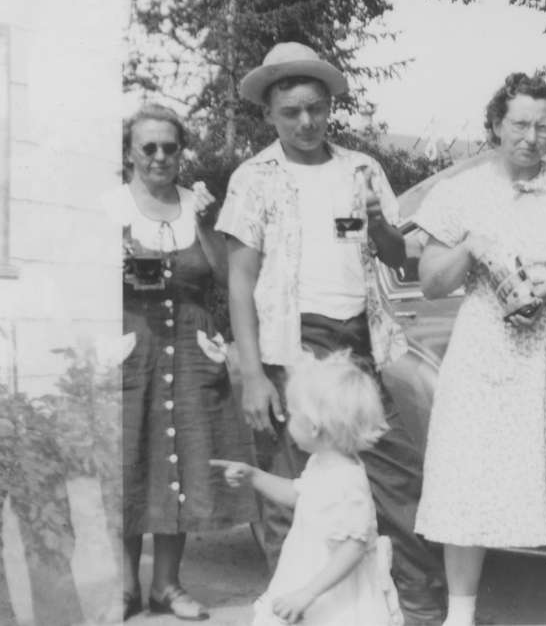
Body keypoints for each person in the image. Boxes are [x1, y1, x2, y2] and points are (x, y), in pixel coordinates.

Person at [215, 42, 446, 625]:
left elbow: (400, 257)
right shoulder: (254, 177)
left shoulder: (361, 168)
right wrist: (250, 376)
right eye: (291, 111)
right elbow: (239, 282)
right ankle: (296, 609)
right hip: (289, 349)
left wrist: (378, 223)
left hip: (357, 346)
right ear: (269, 113)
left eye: (316, 108)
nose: (306, 122)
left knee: (397, 476)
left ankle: (419, 604)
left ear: (330, 107)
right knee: (294, 488)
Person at [412, 72, 546, 626]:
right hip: (485, 349)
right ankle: (461, 614)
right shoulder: (461, 189)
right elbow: (431, 281)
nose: (530, 136)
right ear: (496, 126)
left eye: (543, 126)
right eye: (519, 124)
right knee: (468, 473)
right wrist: (470, 247)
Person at [105, 103, 258, 621]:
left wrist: (212, 222)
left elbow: (222, 275)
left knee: (185, 463)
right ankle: (124, 586)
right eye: (148, 147)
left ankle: (167, 585)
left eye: (170, 147)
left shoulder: (199, 204)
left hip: (193, 351)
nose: (160, 157)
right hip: (132, 349)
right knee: (130, 461)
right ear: (129, 152)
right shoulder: (110, 206)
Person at [210, 352, 403, 626]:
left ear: (313, 427)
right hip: (309, 574)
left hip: (334, 592)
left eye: (292, 415)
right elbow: (298, 495)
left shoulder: (347, 481)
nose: (288, 423)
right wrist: (254, 476)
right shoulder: (323, 462)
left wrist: (308, 593)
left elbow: (353, 547)